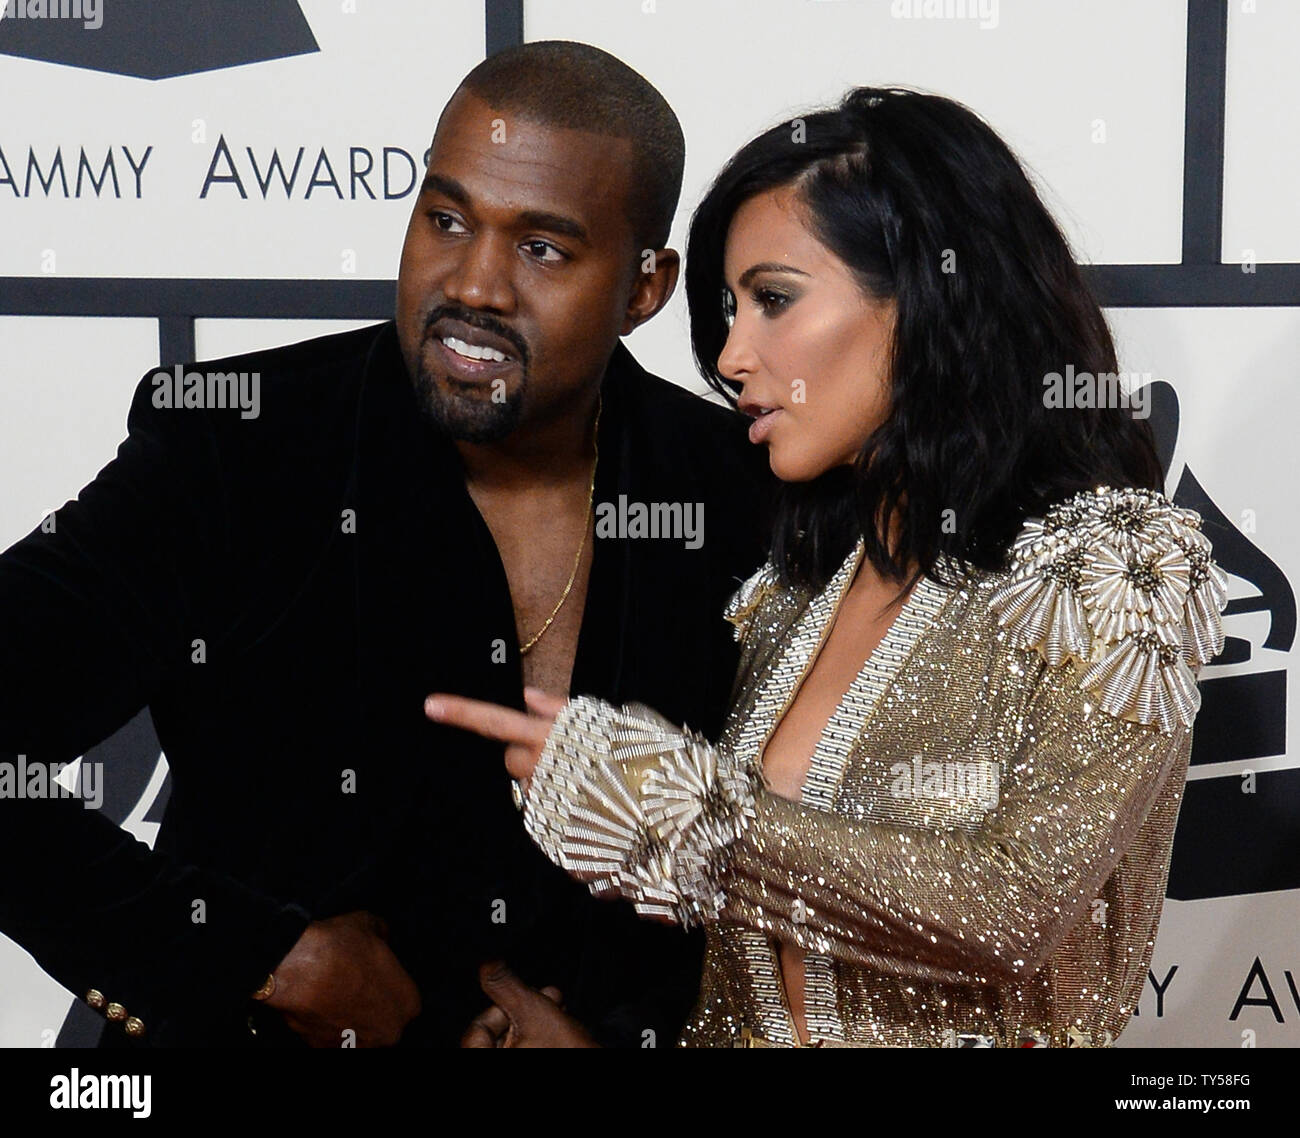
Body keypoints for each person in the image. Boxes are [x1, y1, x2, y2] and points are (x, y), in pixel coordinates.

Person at [0, 41, 770, 1047]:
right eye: (446, 220)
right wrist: (255, 957)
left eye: (542, 248)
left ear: (645, 287)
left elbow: (796, 874)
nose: (477, 284)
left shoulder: (740, 488)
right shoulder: (238, 448)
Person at [426, 86, 1230, 1048]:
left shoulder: (1116, 570)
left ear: (930, 297)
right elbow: (758, 985)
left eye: (775, 299)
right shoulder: (790, 590)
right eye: (730, 309)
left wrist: (702, 821)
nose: (729, 355)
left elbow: (1017, 909)